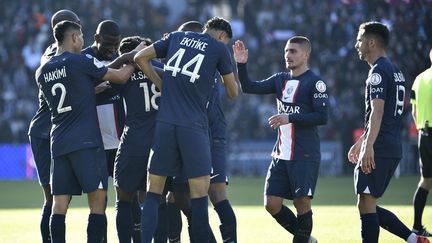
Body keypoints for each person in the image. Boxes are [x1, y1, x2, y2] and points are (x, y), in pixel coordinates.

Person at [134, 16, 238, 243]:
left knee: (154, 193)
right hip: (194, 128)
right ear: (222, 37)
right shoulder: (218, 49)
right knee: (199, 197)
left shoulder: (176, 37)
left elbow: (140, 57)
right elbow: (232, 92)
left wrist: (163, 84)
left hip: (165, 125)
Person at [35, 20, 134, 243]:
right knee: (98, 203)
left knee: (59, 205)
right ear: (73, 38)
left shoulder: (41, 71)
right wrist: (134, 58)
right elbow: (120, 77)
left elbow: (69, 93)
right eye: (80, 36)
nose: (82, 40)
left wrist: (89, 90)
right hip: (87, 142)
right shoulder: (80, 61)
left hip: (58, 142)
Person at [233, 36, 326, 243]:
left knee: (302, 204)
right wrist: (241, 64)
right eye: (286, 51)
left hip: (304, 154)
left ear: (306, 54)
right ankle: (307, 239)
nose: (288, 55)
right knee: (271, 204)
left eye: (293, 51)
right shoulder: (280, 80)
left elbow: (322, 117)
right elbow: (248, 87)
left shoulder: (315, 83)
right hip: (281, 154)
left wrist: (289, 117)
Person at [348, 21, 429, 243]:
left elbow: (378, 111)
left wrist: (368, 146)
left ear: (371, 42)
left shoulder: (378, 71)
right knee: (367, 203)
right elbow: (385, 115)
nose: (357, 44)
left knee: (366, 202)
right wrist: (363, 140)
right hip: (390, 144)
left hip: (380, 146)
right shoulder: (395, 70)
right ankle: (414, 239)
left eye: (360, 39)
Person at [168, 20, 237, 243]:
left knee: (215, 194)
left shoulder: (208, 60)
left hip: (210, 133)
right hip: (185, 133)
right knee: (178, 197)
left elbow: (232, 91)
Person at [27, 9, 80, 243]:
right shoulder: (53, 56)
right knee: (54, 199)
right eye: (75, 25)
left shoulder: (59, 55)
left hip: (54, 131)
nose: (79, 30)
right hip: (45, 131)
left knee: (60, 199)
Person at [113, 36, 161, 243]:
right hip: (162, 142)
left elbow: (100, 85)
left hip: (133, 141)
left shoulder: (123, 75)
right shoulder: (159, 67)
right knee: (159, 200)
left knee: (123, 200)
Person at [410, 48, 432, 237]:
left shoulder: (419, 79)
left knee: (425, 181)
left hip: (423, 134)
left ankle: (416, 226)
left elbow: (414, 111)